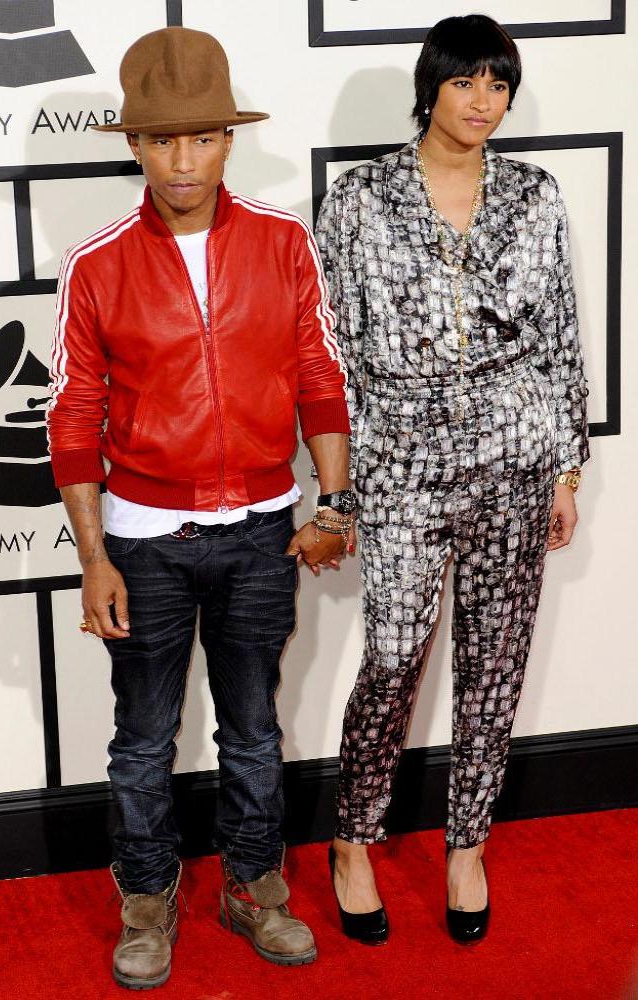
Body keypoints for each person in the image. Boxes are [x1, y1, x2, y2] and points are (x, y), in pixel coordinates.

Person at [47, 27, 357, 989]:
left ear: (229, 138)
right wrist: (96, 557)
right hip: (143, 540)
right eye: (163, 140)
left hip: (264, 528)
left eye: (203, 137)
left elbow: (317, 375)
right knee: (143, 737)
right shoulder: (97, 265)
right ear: (135, 146)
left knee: (255, 727)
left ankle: (254, 888)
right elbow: (75, 417)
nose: (184, 160)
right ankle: (146, 900)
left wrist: (334, 503)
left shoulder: (281, 241)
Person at [316, 13, 589, 946]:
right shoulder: (357, 201)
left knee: (495, 664)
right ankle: (352, 836)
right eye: (467, 81)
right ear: (431, 86)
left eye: (499, 84)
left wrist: (565, 467)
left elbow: (559, 336)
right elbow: (333, 356)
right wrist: (338, 489)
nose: (484, 102)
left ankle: (466, 843)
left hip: (517, 456)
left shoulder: (537, 195)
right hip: (398, 461)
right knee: (393, 655)